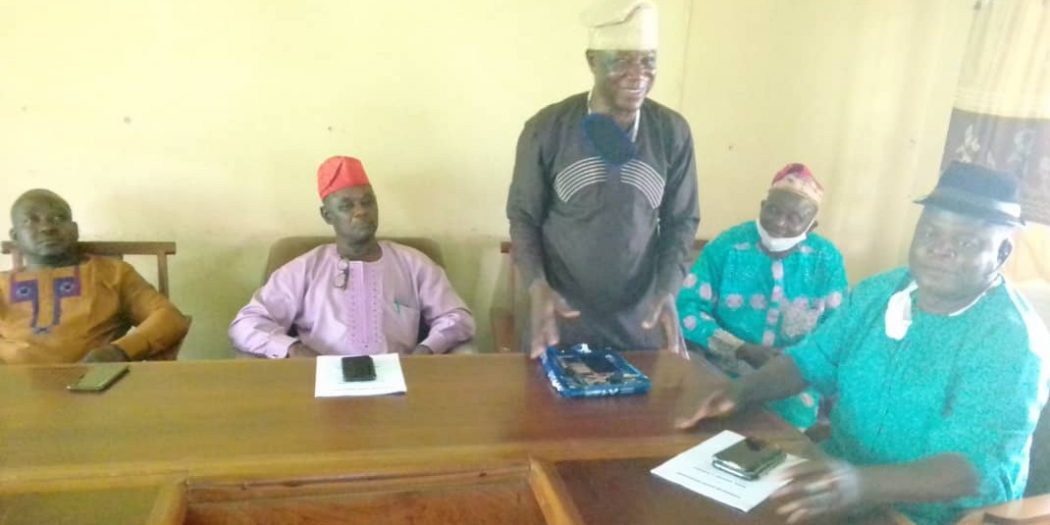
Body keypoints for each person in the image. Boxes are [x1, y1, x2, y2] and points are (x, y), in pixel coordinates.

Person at [677, 162, 1049, 525]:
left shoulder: (1012, 342)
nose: (940, 249)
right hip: (836, 482)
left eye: (965, 241)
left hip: (932, 515)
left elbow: (970, 470)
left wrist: (860, 485)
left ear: (1002, 253)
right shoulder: (878, 293)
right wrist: (740, 391)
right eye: (930, 233)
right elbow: (808, 360)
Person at [506, 0, 699, 357]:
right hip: (560, 318)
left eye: (648, 60)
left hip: (640, 324)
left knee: (643, 397)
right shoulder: (546, 129)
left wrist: (668, 289)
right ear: (592, 61)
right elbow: (523, 217)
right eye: (621, 60)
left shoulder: (671, 131)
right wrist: (536, 285)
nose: (638, 74)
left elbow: (682, 220)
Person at [229, 156, 475, 358]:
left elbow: (457, 318)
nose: (361, 212)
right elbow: (246, 324)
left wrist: (426, 350)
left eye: (367, 202)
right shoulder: (304, 269)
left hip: (401, 380)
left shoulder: (413, 264)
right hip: (321, 382)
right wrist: (294, 350)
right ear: (327, 215)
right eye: (347, 206)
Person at [677, 163, 846, 430]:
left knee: (781, 440)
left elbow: (836, 330)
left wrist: (792, 362)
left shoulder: (826, 260)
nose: (779, 223)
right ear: (762, 206)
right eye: (773, 210)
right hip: (722, 369)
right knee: (705, 429)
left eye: (794, 218)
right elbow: (687, 310)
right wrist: (739, 348)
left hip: (792, 384)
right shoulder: (727, 246)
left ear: (811, 225)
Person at [0, 189, 190, 364]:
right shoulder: (2, 284)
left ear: (75, 230)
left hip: (95, 383)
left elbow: (170, 318)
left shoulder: (113, 273)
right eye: (30, 220)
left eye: (58, 218)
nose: (47, 228)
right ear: (15, 236)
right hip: (11, 384)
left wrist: (120, 351)